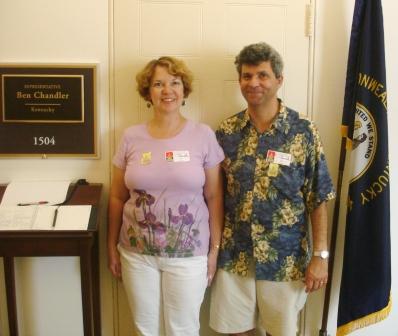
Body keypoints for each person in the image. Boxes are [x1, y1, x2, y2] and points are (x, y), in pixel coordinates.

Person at [209, 42, 336, 336]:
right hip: (235, 256)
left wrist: (321, 256)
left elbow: (319, 196)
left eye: (262, 75)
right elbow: (214, 196)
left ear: (279, 80)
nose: (253, 83)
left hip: (286, 259)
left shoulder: (303, 131)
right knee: (235, 332)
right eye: (247, 75)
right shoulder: (226, 132)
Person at [108, 56, 224, 336]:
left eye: (174, 83)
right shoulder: (130, 137)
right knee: (144, 328)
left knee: (182, 329)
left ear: (185, 91)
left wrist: (215, 250)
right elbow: (116, 196)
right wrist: (111, 246)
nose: (167, 90)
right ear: (148, 93)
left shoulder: (202, 135)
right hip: (136, 253)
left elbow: (215, 196)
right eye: (158, 84)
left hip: (188, 253)